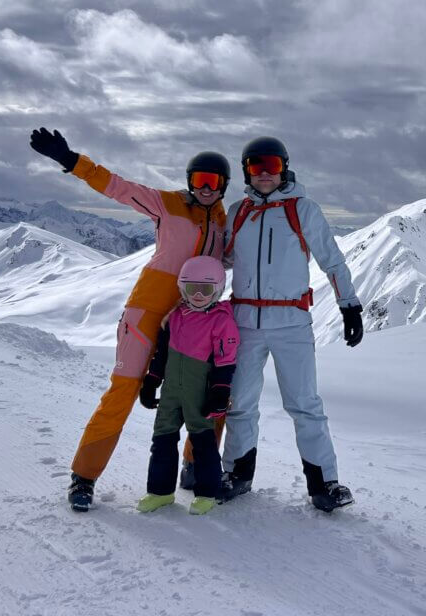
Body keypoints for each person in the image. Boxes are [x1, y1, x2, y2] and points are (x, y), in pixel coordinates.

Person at [28, 127, 229, 511]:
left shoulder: (224, 227)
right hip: (147, 311)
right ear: (190, 182)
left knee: (207, 394)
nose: (206, 187)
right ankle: (84, 478)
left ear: (224, 186)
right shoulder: (165, 203)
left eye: (214, 181)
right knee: (123, 390)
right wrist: (72, 162)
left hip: (193, 320)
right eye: (200, 180)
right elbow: (117, 187)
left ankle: (195, 466)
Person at [217, 135, 364, 512]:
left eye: (273, 165)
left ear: (285, 168)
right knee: (240, 404)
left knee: (304, 404)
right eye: (256, 166)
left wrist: (349, 305)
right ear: (246, 170)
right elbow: (224, 260)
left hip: (291, 323)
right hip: (245, 321)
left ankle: (323, 485)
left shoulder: (303, 209)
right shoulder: (238, 211)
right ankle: (237, 475)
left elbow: (331, 259)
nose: (265, 173)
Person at [137, 255, 238, 516]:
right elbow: (161, 355)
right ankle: (160, 492)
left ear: (217, 289)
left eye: (206, 289)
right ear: (183, 287)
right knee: (162, 439)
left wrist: (219, 391)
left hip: (199, 393)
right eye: (192, 288)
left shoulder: (221, 320)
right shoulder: (175, 316)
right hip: (171, 392)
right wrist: (152, 381)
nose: (199, 295)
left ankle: (207, 493)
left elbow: (225, 361)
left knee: (203, 444)